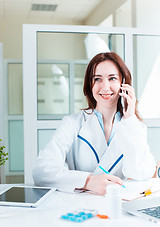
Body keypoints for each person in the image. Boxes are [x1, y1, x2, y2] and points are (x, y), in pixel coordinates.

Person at [32, 52, 156, 194]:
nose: (105, 87)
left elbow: (141, 172)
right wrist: (88, 181)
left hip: (120, 207)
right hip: (81, 209)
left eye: (112, 78)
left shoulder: (134, 126)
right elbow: (42, 170)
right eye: (97, 79)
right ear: (89, 84)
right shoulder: (72, 124)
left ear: (123, 83)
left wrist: (130, 119)